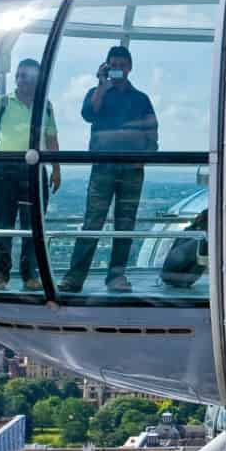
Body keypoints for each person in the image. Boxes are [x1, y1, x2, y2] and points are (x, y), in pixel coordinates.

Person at [60, 46, 158, 293]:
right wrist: (101, 85)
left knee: (125, 224)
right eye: (113, 65)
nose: (118, 69)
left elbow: (152, 131)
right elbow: (89, 114)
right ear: (106, 67)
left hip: (132, 169)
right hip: (103, 168)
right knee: (93, 221)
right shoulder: (97, 93)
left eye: (122, 65)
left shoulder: (141, 99)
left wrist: (145, 157)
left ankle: (116, 277)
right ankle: (74, 278)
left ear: (130, 67)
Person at [0, 55, 59, 288]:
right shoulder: (3, 102)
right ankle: (1, 274)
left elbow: (51, 138)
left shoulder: (45, 106)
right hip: (4, 170)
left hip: (34, 170)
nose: (21, 80)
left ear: (37, 79)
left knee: (33, 224)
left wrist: (56, 168)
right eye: (19, 75)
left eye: (26, 76)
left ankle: (30, 275)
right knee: (3, 223)